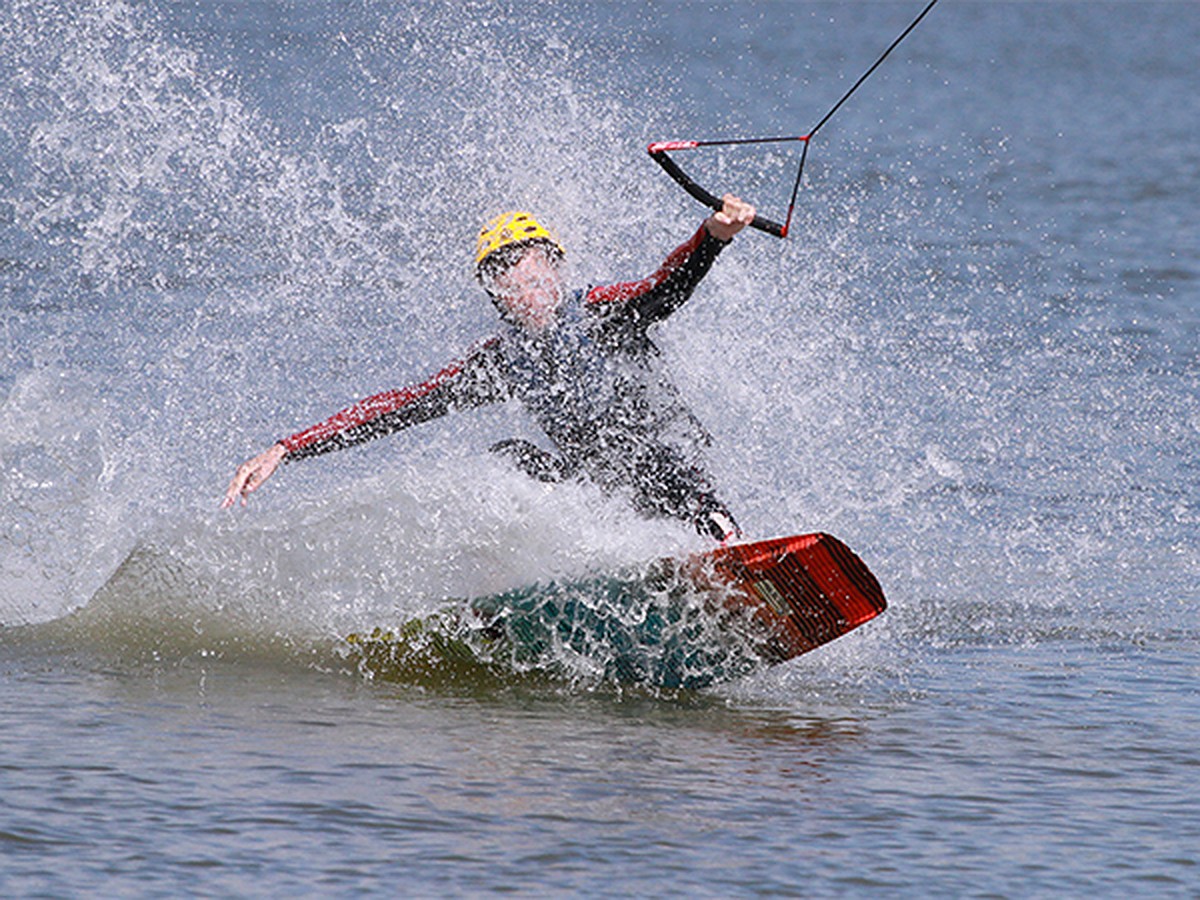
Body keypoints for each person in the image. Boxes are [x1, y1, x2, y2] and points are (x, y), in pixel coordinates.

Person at [223, 195, 756, 542]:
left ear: (557, 269)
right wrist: (288, 447)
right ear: (495, 296)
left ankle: (729, 544)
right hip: (596, 488)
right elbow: (396, 408)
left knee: (662, 471)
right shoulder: (499, 362)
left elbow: (664, 287)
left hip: (670, 468)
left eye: (535, 275)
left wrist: (712, 236)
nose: (526, 291)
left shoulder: (600, 311)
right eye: (508, 283)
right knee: (509, 460)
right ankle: (557, 577)